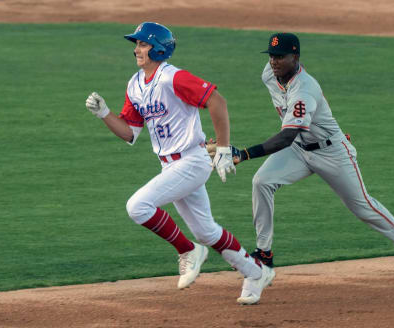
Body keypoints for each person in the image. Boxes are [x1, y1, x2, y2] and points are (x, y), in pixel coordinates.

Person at [84, 22, 275, 304]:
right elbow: (130, 133)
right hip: (169, 165)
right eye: (136, 44)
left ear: (158, 48)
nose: (136, 49)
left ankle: (187, 251)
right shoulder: (135, 84)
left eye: (142, 44)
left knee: (138, 206)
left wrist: (223, 148)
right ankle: (256, 272)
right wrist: (104, 113)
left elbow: (217, 101)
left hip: (192, 161)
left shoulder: (172, 78)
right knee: (206, 230)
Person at [231, 32, 394, 281]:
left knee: (362, 207)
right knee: (262, 182)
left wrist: (245, 154)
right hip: (300, 149)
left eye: (280, 57)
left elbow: (286, 136)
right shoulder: (269, 75)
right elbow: (292, 136)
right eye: (271, 56)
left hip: (332, 152)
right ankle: (264, 253)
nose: (274, 61)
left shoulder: (305, 89)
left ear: (296, 57)